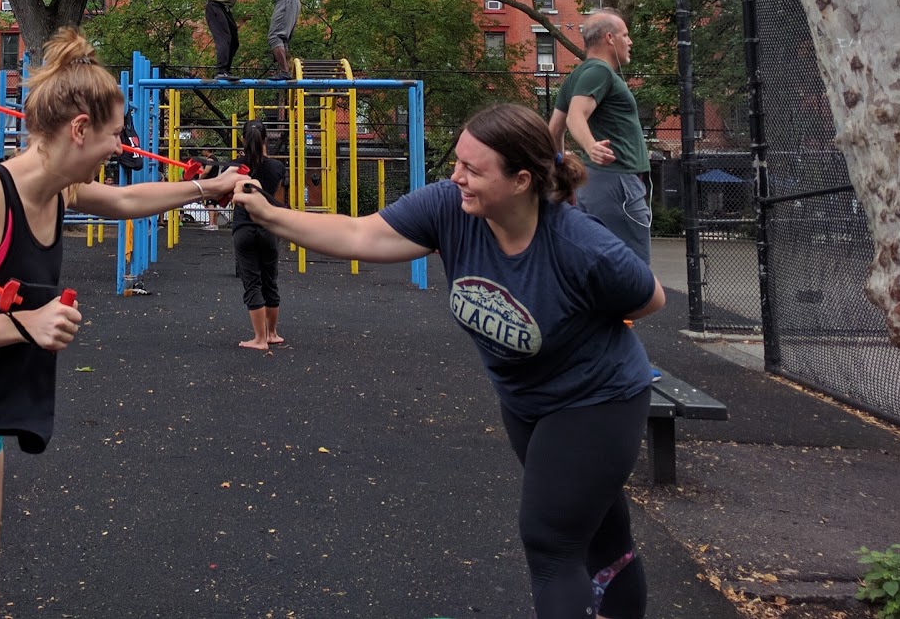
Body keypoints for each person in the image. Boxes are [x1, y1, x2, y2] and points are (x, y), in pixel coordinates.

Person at [234, 103, 663, 619]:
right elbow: (358, 234)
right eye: (457, 162)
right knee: (603, 533)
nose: (456, 176)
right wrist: (267, 213)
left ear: (521, 180)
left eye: (472, 169)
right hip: (525, 400)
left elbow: (649, 299)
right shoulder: (449, 209)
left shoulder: (581, 246)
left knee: (551, 542)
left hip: (597, 401)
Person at [0, 27, 242, 619]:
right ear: (79, 129)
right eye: (116, 134)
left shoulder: (59, 191)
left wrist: (209, 186)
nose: (122, 147)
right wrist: (27, 324)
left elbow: (125, 203)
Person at [547, 10, 653, 266]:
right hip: (616, 185)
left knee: (595, 265)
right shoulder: (600, 72)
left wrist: (561, 169)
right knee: (631, 270)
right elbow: (575, 118)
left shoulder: (576, 75)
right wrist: (591, 146)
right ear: (609, 38)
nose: (630, 42)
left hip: (595, 185)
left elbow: (553, 132)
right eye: (625, 35)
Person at [231, 121, 286, 350]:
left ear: (243, 140)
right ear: (266, 140)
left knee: (252, 283)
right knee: (269, 280)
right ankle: (272, 334)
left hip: (244, 228)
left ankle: (259, 339)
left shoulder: (235, 168)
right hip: (268, 227)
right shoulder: (277, 167)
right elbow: (278, 199)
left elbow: (224, 195)